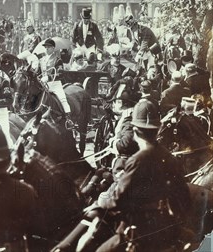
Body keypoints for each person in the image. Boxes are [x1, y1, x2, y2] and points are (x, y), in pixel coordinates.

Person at [54, 99, 190, 252]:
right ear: (157, 130)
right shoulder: (170, 158)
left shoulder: (137, 160)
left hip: (138, 231)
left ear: (136, 132)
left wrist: (101, 200)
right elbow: (184, 197)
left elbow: (118, 200)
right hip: (165, 229)